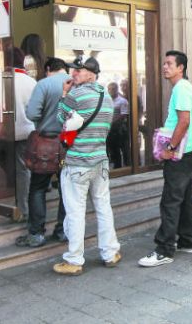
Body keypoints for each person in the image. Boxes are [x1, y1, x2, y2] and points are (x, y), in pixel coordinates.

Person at [53, 55, 121, 275]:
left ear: (90, 74)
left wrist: (64, 94)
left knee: (75, 211)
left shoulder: (75, 94)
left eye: (78, 70)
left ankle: (74, 259)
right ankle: (110, 252)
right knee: (103, 206)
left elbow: (60, 118)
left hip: (77, 162)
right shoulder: (106, 96)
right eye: (73, 70)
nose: (73, 73)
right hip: (100, 160)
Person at [139, 50, 192, 267]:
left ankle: (164, 249)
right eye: (163, 63)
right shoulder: (183, 87)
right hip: (187, 151)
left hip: (180, 153)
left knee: (170, 200)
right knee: (183, 197)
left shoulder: (181, 88)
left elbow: (184, 121)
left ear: (180, 67)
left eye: (169, 63)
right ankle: (187, 240)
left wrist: (170, 148)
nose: (164, 67)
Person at [16, 57, 70, 248]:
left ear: (48, 69)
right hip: (69, 144)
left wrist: (44, 118)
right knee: (67, 190)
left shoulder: (44, 84)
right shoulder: (75, 83)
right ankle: (63, 230)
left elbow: (31, 114)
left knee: (38, 188)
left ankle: (36, 233)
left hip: (46, 144)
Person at [12, 48, 37, 222]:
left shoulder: (3, 79)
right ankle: (24, 207)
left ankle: (22, 208)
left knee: (17, 170)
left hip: (6, 134)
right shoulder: (31, 81)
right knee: (24, 170)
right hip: (28, 130)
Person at [106, 81, 130, 168]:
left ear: (117, 90)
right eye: (109, 89)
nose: (111, 91)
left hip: (119, 130)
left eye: (113, 89)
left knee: (124, 149)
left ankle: (127, 167)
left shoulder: (123, 101)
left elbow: (123, 115)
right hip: (109, 130)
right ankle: (117, 167)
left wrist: (112, 122)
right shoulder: (107, 101)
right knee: (113, 150)